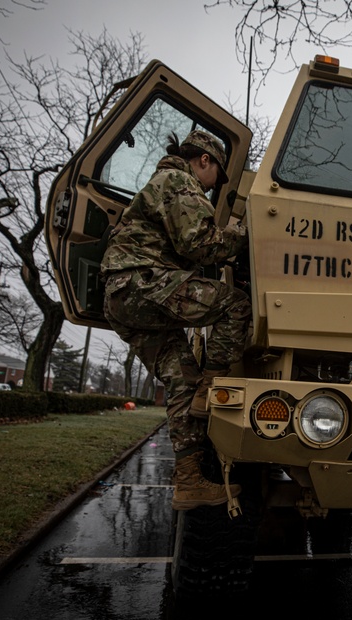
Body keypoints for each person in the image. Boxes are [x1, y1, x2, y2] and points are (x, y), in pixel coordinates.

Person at [101, 129, 250, 510]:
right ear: (205, 160)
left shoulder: (162, 182)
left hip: (126, 299)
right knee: (236, 304)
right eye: (217, 175)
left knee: (181, 380)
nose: (215, 186)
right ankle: (211, 385)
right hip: (143, 282)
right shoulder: (180, 180)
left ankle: (189, 483)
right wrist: (242, 234)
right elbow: (198, 243)